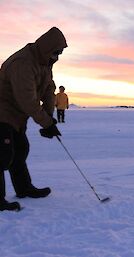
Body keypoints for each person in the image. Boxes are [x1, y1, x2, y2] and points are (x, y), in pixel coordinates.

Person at [0, 27, 67, 211]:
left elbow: (48, 90)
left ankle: (23, 188)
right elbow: (27, 100)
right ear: (47, 48)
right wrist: (45, 122)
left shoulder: (44, 63)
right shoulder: (23, 63)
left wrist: (49, 119)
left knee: (20, 149)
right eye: (56, 52)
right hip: (3, 113)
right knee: (3, 154)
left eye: (60, 53)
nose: (58, 57)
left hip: (16, 116)